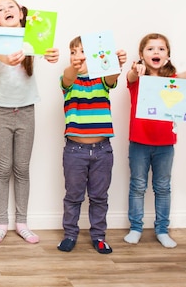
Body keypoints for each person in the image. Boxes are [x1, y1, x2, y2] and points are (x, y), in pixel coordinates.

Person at [0, 0, 59, 244]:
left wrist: (52, 54)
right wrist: (13, 55)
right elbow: (3, 57)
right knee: (2, 169)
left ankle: (22, 222)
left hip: (26, 109)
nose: (6, 10)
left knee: (22, 168)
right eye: (0, 9)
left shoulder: (33, 36)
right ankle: (1, 223)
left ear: (22, 14)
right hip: (0, 110)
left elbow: (46, 52)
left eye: (10, 6)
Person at [124, 33, 186, 248]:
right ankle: (136, 228)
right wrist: (136, 70)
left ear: (168, 55)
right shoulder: (138, 75)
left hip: (165, 144)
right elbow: (131, 77)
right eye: (151, 49)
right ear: (141, 55)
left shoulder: (172, 77)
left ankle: (162, 230)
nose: (156, 52)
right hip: (139, 143)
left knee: (162, 187)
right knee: (138, 186)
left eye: (161, 49)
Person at [56, 36, 126, 254]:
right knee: (73, 196)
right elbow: (67, 77)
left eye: (83, 52)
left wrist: (116, 63)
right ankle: (70, 234)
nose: (78, 56)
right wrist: (73, 68)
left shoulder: (102, 80)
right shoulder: (69, 81)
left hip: (103, 151)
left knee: (99, 197)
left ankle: (99, 236)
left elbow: (113, 76)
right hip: (74, 151)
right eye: (74, 52)